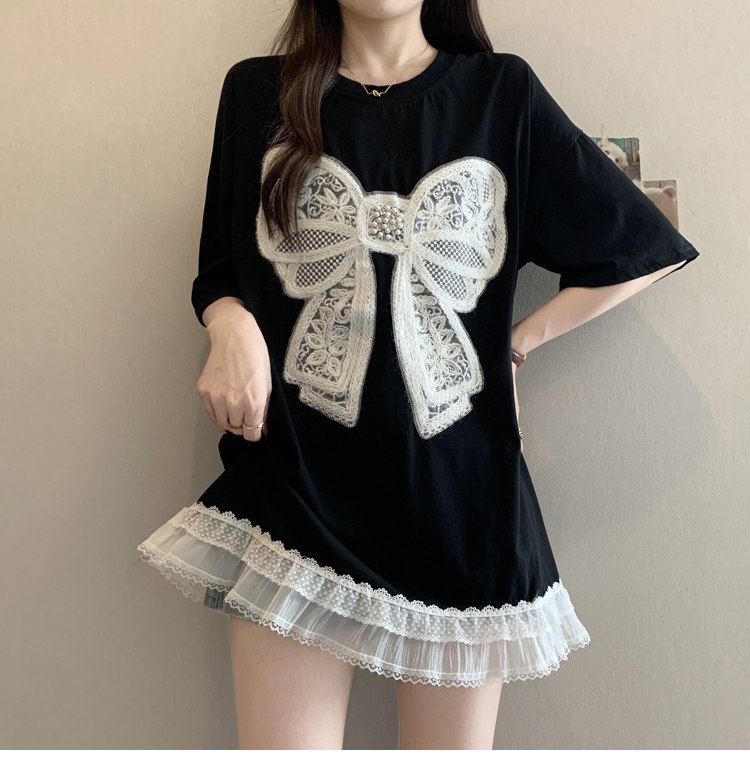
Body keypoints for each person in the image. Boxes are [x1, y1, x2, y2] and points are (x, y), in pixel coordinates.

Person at [136, 0, 700, 750]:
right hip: (297, 493)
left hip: (459, 501)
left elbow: (641, 245)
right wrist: (228, 323)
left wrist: (517, 344)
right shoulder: (258, 91)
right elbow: (222, 268)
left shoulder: (502, 93)